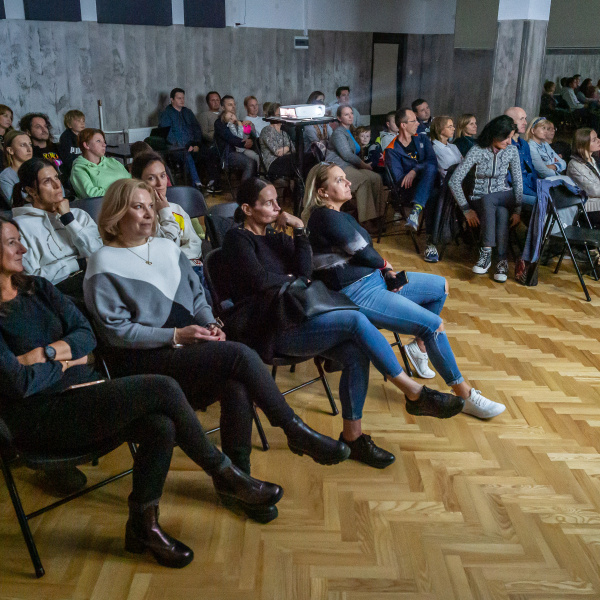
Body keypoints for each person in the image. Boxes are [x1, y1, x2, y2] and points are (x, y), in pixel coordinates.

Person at [0, 216, 284, 567]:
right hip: (39, 416)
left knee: (160, 425)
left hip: (87, 391)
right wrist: (69, 359)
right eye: (11, 242)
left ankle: (142, 525)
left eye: (19, 239)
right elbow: (18, 384)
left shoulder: (38, 288)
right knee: (162, 387)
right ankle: (223, 473)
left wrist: (45, 354)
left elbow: (87, 337)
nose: (22, 248)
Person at [83, 178, 350, 484]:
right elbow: (115, 333)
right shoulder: (102, 263)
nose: (148, 214)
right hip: (144, 359)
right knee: (239, 355)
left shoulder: (165, 247)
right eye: (137, 207)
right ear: (117, 213)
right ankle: (293, 429)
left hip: (186, 347)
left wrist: (211, 322)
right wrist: (175, 335)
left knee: (235, 383)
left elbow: (198, 296)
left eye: (150, 206)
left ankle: (237, 479)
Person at [222, 178, 468, 466]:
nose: (278, 208)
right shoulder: (237, 240)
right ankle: (413, 392)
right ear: (247, 209)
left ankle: (353, 437)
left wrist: (299, 229)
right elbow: (260, 281)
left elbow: (306, 272)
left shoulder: (276, 237)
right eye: (269, 203)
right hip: (272, 328)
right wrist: (293, 279)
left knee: (355, 352)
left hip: (298, 316)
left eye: (278, 200)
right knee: (355, 319)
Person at [302, 162, 505, 419]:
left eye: (345, 178)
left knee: (440, 287)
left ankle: (418, 349)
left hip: (374, 280)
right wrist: (385, 265)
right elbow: (362, 251)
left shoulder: (340, 214)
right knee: (433, 325)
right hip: (357, 292)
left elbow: (365, 253)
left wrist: (384, 271)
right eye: (339, 180)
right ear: (322, 192)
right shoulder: (324, 217)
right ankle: (465, 396)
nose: (348, 182)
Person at [11, 158, 103, 296]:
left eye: (56, 177)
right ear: (31, 191)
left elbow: (100, 256)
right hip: (55, 293)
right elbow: (31, 279)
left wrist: (69, 220)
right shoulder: (20, 226)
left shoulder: (79, 215)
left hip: (95, 280)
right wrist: (79, 263)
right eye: (47, 181)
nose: (57, 185)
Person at [449, 115, 522, 283]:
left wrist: (518, 210)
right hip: (480, 199)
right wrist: (466, 209)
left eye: (511, 137)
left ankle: (486, 252)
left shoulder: (512, 151)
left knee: (492, 200)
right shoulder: (477, 150)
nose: (509, 142)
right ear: (495, 134)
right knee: (501, 212)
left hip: (505, 195)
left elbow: (518, 181)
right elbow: (454, 181)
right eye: (506, 137)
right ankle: (501, 261)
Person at [130, 151, 211, 298]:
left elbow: (194, 242)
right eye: (151, 178)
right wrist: (164, 212)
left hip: (189, 268)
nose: (160, 183)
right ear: (138, 182)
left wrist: (181, 260)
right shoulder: (138, 217)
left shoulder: (176, 210)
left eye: (162, 176)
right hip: (161, 278)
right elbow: (164, 250)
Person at [384, 107, 439, 262]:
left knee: (430, 169)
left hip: (426, 185)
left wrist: (415, 170)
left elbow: (433, 162)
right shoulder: (392, 150)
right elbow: (399, 180)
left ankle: (416, 211)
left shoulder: (422, 139)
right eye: (413, 121)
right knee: (434, 195)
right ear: (403, 125)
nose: (418, 123)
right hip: (408, 191)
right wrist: (417, 171)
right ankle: (431, 243)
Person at [325, 106, 385, 230]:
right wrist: (364, 165)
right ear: (339, 118)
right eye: (346, 114)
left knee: (376, 178)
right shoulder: (338, 133)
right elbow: (347, 155)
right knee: (363, 180)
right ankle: (365, 221)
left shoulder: (351, 131)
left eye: (351, 113)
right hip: (339, 167)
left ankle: (377, 217)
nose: (350, 116)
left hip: (351, 165)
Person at [159, 88, 217, 191]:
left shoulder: (188, 112)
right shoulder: (166, 114)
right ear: (172, 99)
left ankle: (212, 183)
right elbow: (168, 135)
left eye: (183, 98)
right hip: (176, 149)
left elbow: (197, 129)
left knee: (209, 152)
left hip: (192, 146)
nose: (182, 100)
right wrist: (184, 147)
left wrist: (196, 144)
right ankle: (197, 184)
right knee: (186, 155)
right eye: (179, 98)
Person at [70, 128, 131, 199]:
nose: (104, 145)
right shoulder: (79, 169)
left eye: (104, 141)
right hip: (106, 204)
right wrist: (122, 193)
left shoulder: (112, 161)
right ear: (86, 145)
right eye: (98, 141)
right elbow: (91, 194)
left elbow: (130, 180)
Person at [214, 99, 257, 182]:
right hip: (228, 153)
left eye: (234, 104)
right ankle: (245, 189)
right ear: (223, 108)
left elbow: (250, 134)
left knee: (259, 159)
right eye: (230, 105)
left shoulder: (238, 122)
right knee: (250, 163)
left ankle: (257, 185)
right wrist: (245, 143)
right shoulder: (220, 122)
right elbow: (230, 138)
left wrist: (251, 139)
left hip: (242, 150)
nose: (233, 107)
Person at [505, 107, 538, 208]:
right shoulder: (505, 145)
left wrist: (539, 189)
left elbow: (532, 170)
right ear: (510, 122)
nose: (525, 123)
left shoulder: (524, 144)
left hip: (531, 186)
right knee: (544, 204)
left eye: (525, 118)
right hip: (516, 191)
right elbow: (510, 179)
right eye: (521, 119)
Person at [566, 128, 600, 220]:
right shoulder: (575, 164)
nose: (599, 140)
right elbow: (593, 190)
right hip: (587, 207)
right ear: (583, 144)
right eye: (594, 140)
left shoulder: (591, 160)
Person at [259, 103, 298, 179]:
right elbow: (278, 152)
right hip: (273, 164)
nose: (281, 117)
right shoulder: (267, 130)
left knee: (303, 158)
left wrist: (286, 148)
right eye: (278, 115)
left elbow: (293, 149)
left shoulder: (284, 132)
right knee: (298, 162)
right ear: (272, 116)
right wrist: (287, 148)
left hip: (285, 161)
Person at [0, 130, 32, 206]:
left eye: (30, 144)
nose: (29, 149)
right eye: (23, 145)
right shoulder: (5, 177)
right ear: (10, 150)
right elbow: (16, 204)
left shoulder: (38, 168)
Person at [58, 110, 85, 179]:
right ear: (69, 125)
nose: (82, 123)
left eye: (83, 121)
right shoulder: (65, 137)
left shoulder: (84, 135)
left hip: (83, 166)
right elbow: (66, 159)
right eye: (78, 121)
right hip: (70, 171)